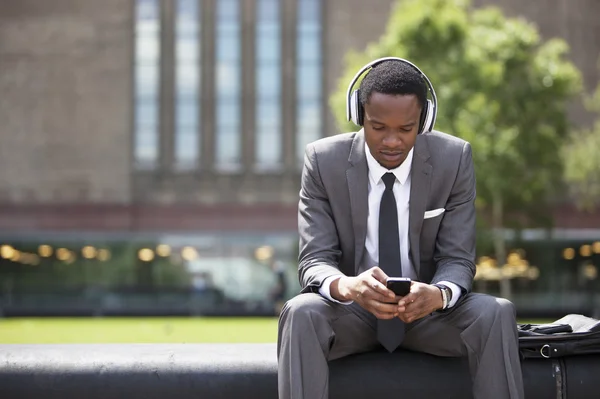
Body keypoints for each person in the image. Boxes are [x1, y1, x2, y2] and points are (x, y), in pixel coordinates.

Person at [277, 58, 524, 399]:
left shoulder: (454, 160)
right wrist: (348, 286)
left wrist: (438, 295)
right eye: (378, 128)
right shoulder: (323, 161)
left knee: (497, 312)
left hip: (429, 316)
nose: (391, 141)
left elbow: (458, 258)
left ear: (423, 121)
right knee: (300, 312)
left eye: (405, 129)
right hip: (354, 314)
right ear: (359, 115)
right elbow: (315, 260)